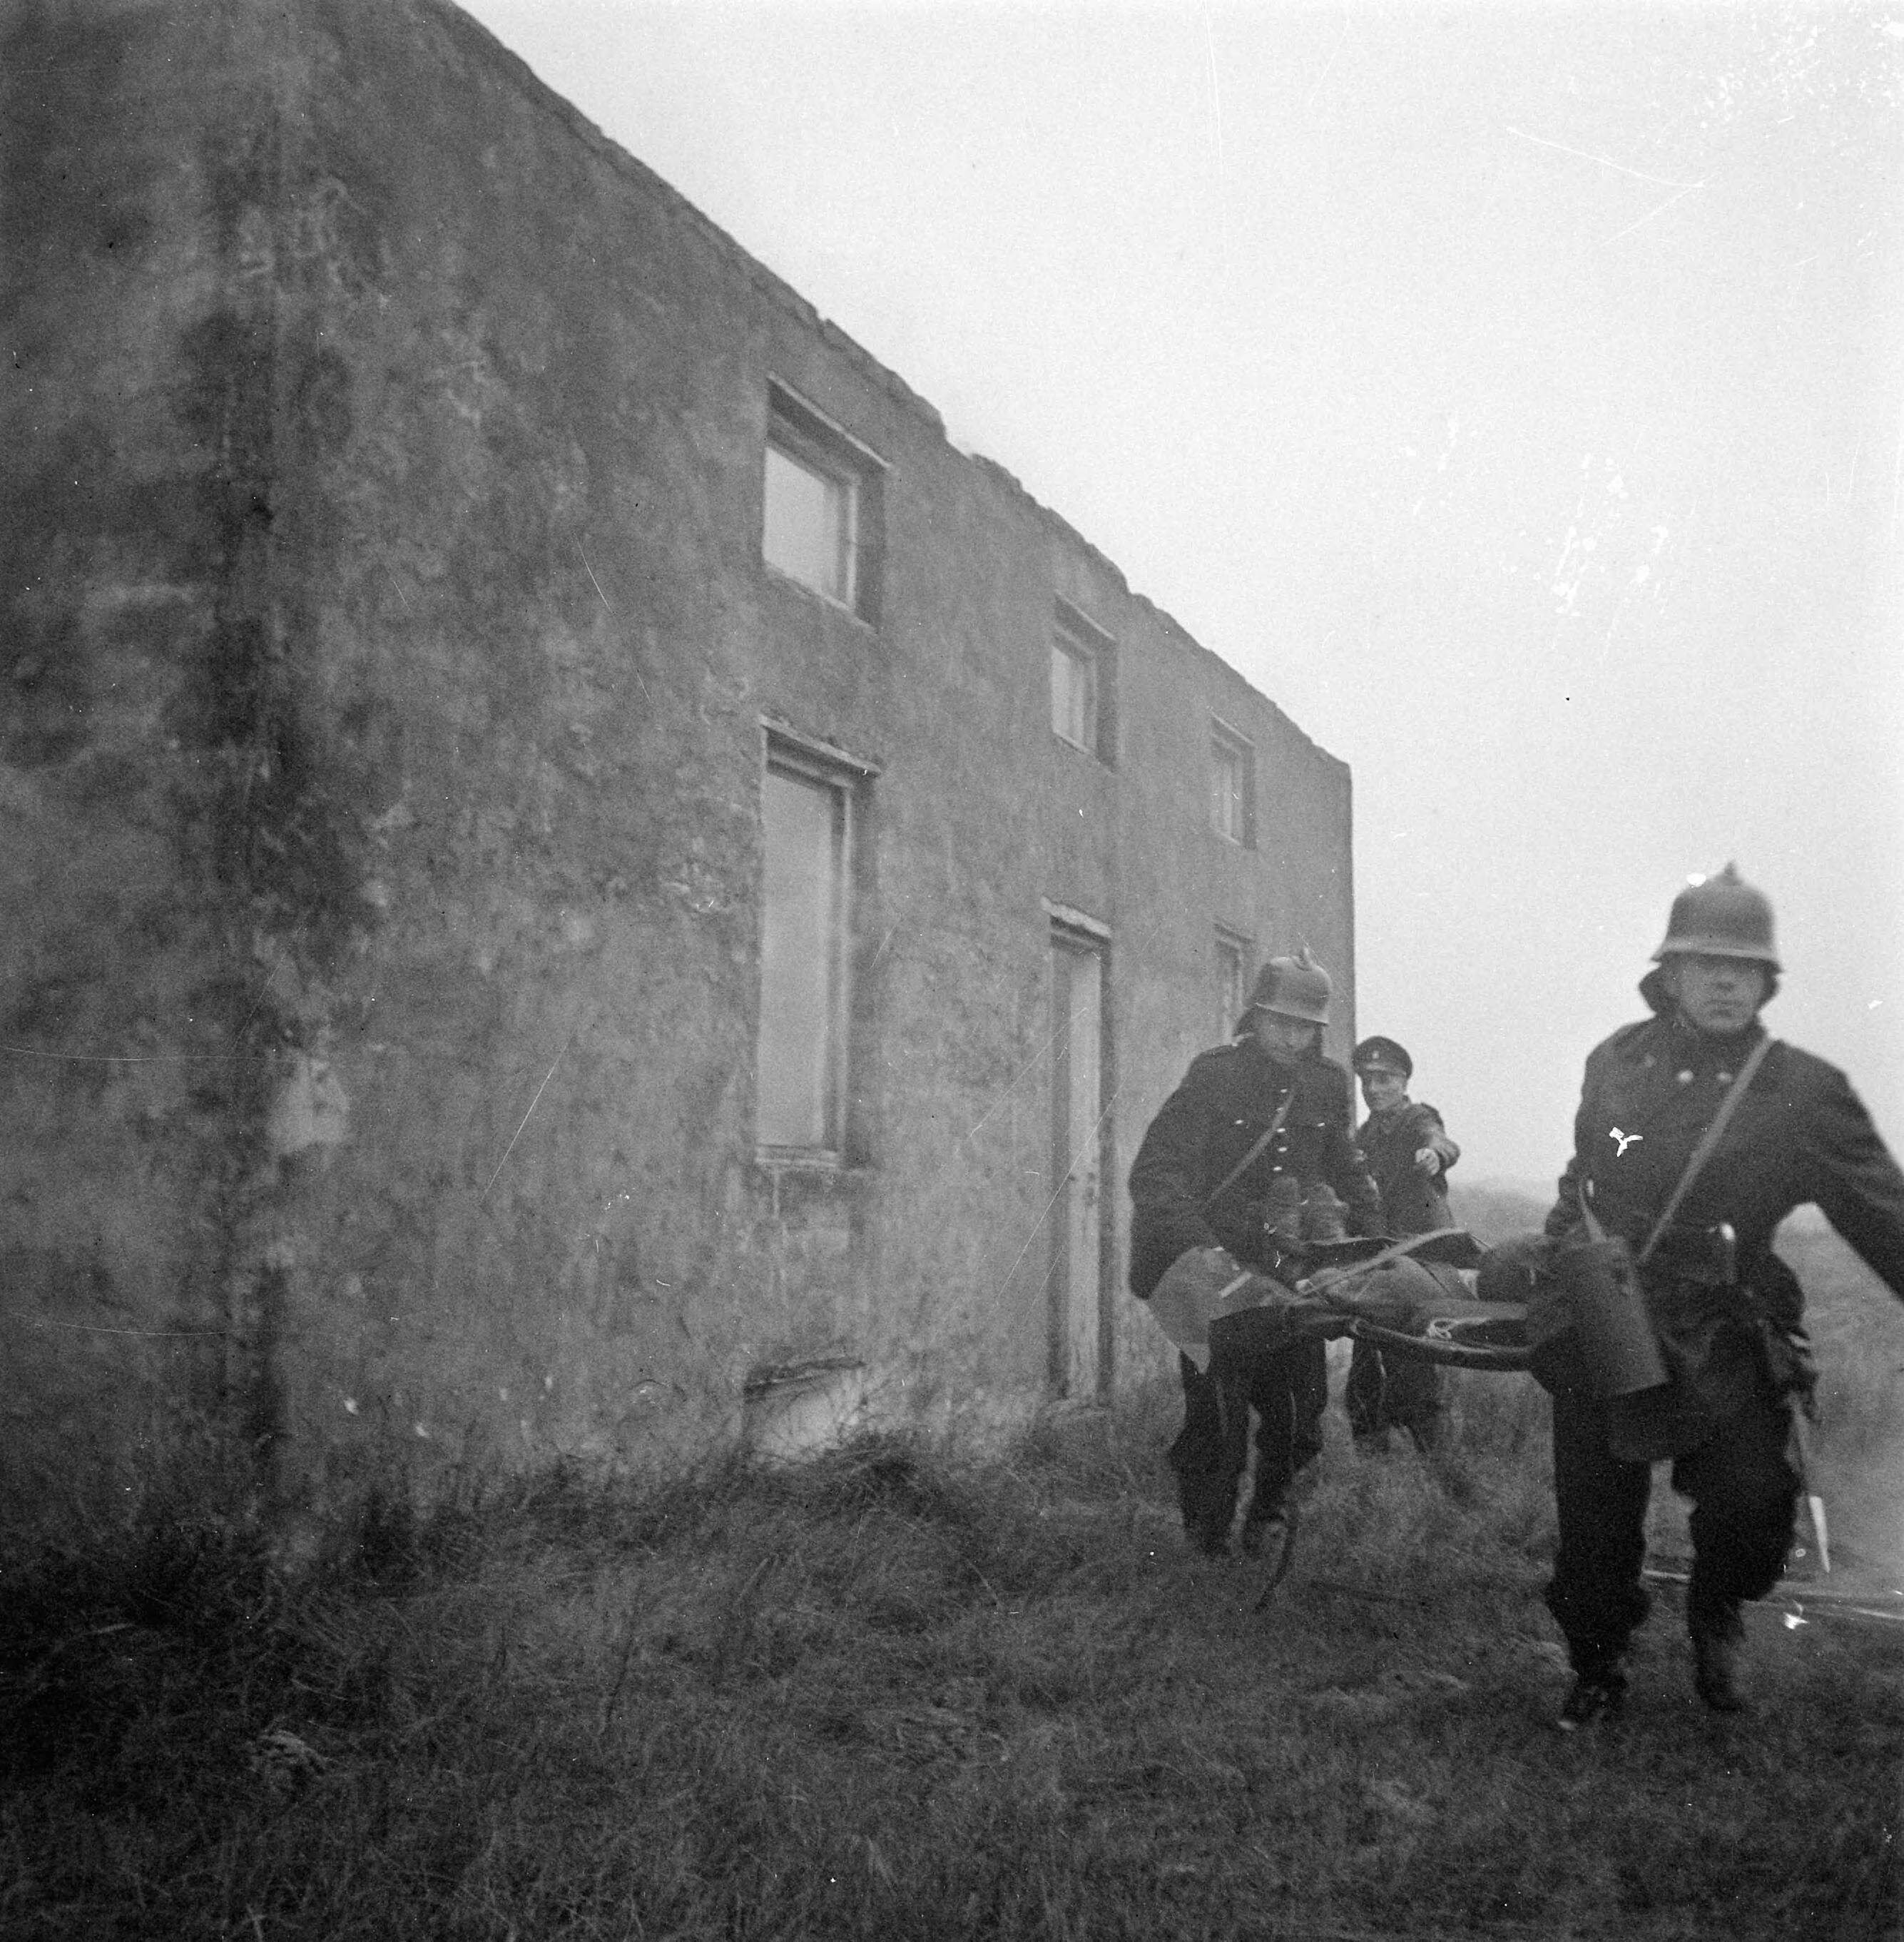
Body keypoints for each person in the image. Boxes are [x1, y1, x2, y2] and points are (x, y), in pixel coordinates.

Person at [1535, 865, 1904, 1728]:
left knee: (1752, 1505)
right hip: (1614, 1305)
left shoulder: (1801, 1090)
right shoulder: (1616, 1063)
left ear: (1767, 981)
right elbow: (1584, 1172)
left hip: (1727, 1319)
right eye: (1706, 963)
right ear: (1669, 974)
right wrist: (1565, 1258)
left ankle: (1716, 1606)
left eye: (1744, 967)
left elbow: (1882, 1212)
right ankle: (1597, 1661)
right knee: (1594, 1516)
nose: (1726, 982)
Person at [1129, 948, 1382, 1560]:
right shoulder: (1214, 1076)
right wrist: (1202, 1251)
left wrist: (1374, 1246)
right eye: (1279, 1022)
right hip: (1215, 1273)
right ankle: (1206, 1540)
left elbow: (1347, 1171)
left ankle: (1268, 1516)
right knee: (1217, 1421)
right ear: (1255, 1016)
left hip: (1291, 1277)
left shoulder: (1325, 1084)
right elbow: (1157, 1174)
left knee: (1299, 1416)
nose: (1292, 1038)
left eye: (1305, 1027)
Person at [1345, 1036, 1462, 1453]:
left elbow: (1441, 1141)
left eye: (1385, 1079)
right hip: (1382, 1261)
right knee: (1365, 1363)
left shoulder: (1417, 1119)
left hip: (1423, 1262)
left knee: (1413, 1364)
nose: (1374, 1089)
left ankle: (1441, 1466)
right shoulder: (1363, 1136)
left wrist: (1434, 1156)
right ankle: (1372, 1469)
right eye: (1367, 1080)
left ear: (1404, 1082)